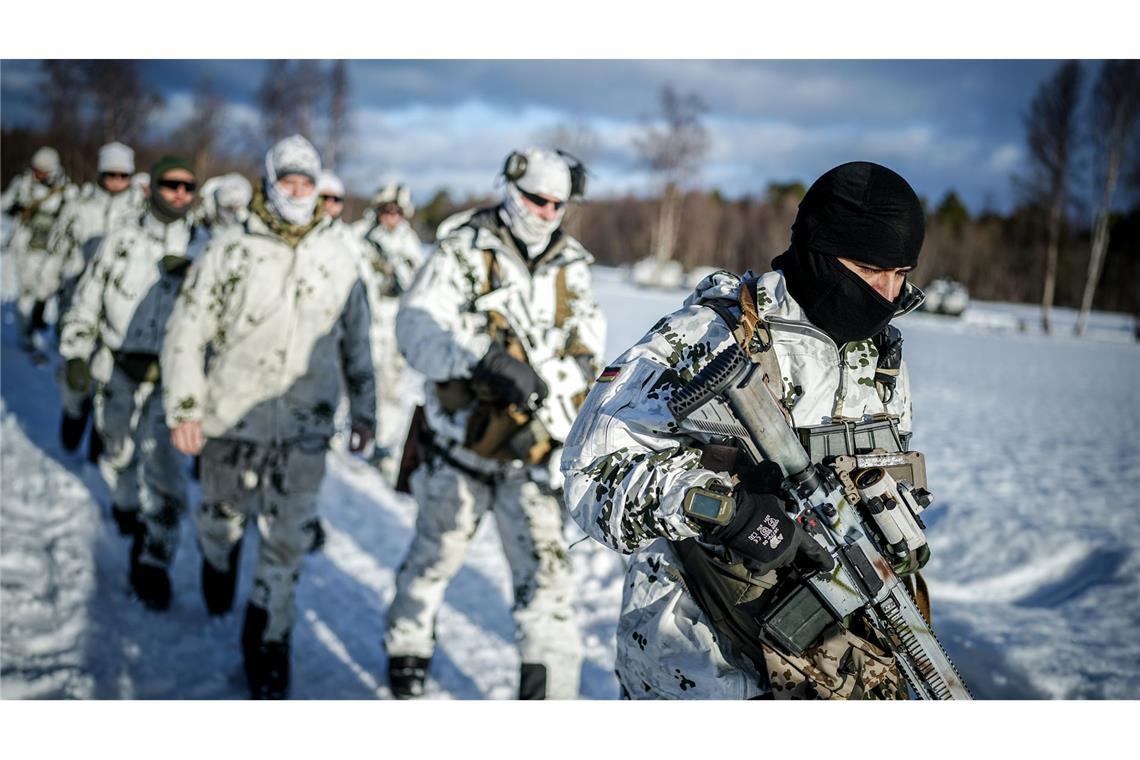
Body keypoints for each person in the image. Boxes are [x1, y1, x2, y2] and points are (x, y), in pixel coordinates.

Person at [561, 161, 927, 700]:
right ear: (823, 254)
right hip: (699, 664)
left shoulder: (881, 357)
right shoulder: (709, 336)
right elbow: (591, 476)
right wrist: (728, 511)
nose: (889, 294)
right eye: (872, 271)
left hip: (828, 664)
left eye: (901, 273)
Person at [385, 147, 605, 699]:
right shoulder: (463, 248)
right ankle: (407, 648)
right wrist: (484, 359)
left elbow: (588, 351)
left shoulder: (573, 265)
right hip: (459, 454)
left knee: (549, 591)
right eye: (536, 199)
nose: (547, 212)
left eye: (559, 203)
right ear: (510, 187)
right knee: (432, 562)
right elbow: (414, 328)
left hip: (534, 460)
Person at [161, 134, 375, 699]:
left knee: (287, 543)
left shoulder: (339, 254)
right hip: (232, 421)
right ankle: (218, 558)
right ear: (269, 181)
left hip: (306, 428)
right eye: (288, 180)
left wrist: (366, 408)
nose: (298, 191)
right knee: (220, 520)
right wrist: (185, 406)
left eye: (307, 181)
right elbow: (187, 330)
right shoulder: (231, 248)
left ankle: (268, 640)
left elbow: (358, 341)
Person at [59, 156, 205, 608]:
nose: (179, 194)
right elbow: (88, 299)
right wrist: (77, 352)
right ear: (152, 188)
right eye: (170, 185)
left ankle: (154, 559)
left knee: (165, 473)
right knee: (117, 450)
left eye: (187, 187)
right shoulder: (122, 239)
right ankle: (124, 504)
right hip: (119, 369)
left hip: (172, 383)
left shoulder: (207, 247)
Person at [50, 142, 147, 452]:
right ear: (101, 173)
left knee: (108, 384)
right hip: (78, 305)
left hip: (118, 310)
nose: (117, 181)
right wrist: (51, 294)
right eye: (111, 174)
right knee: (75, 379)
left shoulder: (141, 213)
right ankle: (73, 417)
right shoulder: (79, 208)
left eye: (123, 175)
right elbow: (58, 254)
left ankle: (97, 444)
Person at [353, 183, 424, 480]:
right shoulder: (362, 237)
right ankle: (359, 431)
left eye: (396, 211)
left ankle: (384, 445)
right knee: (362, 380)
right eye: (386, 210)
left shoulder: (410, 242)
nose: (391, 216)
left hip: (394, 326)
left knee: (393, 389)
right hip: (367, 323)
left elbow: (418, 281)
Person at [1, 146, 77, 350]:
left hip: (53, 251)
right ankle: (26, 334)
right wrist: (14, 207)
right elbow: (4, 205)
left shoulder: (67, 191)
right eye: (36, 170)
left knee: (47, 289)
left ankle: (40, 319)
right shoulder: (23, 184)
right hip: (26, 247)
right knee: (26, 293)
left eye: (42, 171)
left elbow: (74, 218)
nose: (37, 175)